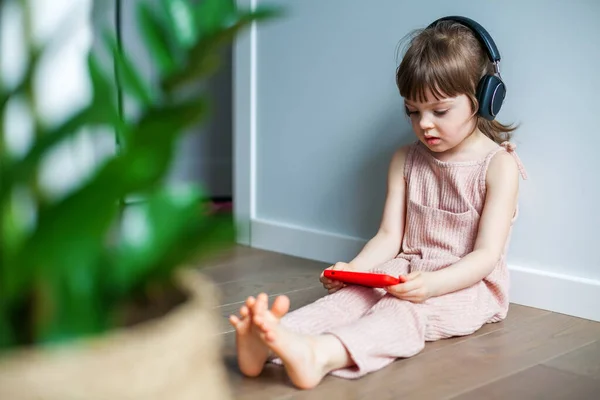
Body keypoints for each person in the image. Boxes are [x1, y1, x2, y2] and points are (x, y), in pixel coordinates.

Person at [228, 16, 528, 390]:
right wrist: (351, 270)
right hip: (404, 268)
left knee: (403, 312)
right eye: (413, 111)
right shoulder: (405, 158)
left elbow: (485, 257)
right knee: (353, 298)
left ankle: (321, 355)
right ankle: (270, 339)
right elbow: (388, 236)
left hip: (466, 285)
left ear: (484, 100)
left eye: (440, 110)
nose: (424, 125)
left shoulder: (498, 166)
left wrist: (433, 285)